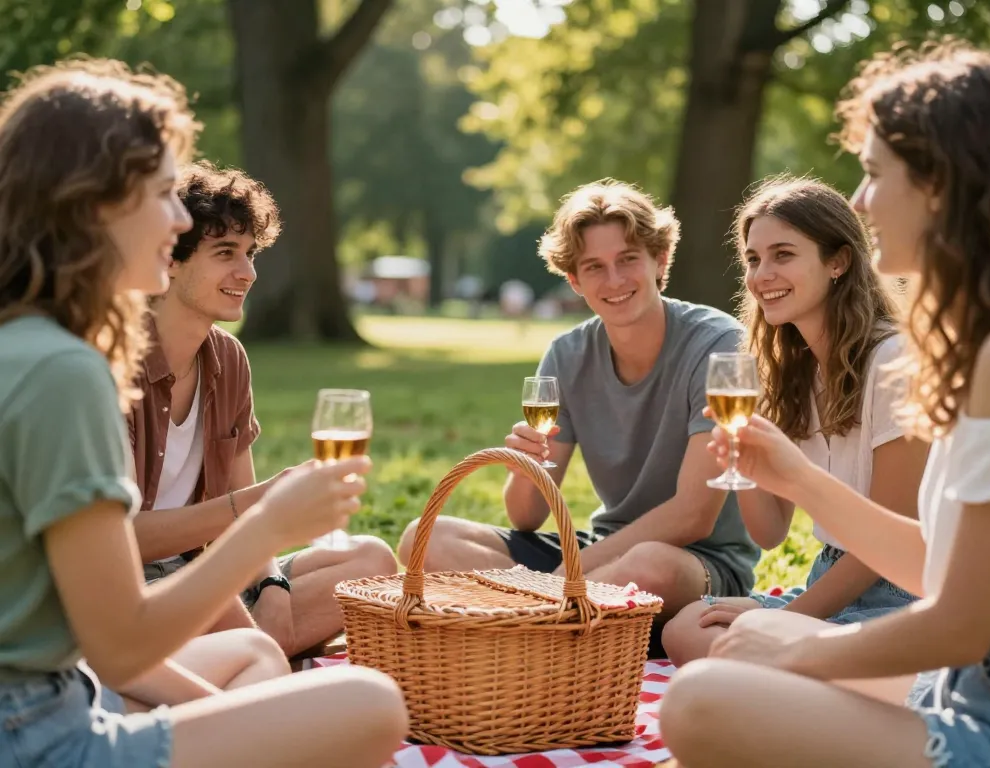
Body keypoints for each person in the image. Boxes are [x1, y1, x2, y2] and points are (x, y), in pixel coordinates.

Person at [0, 58, 405, 767]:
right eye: (163, 195)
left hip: (62, 693)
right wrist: (265, 524)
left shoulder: (29, 345)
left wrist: (264, 557)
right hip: (40, 734)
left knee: (260, 644)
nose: (179, 219)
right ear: (95, 203)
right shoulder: (67, 370)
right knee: (369, 704)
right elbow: (120, 638)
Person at [660, 42, 990, 767]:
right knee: (721, 661)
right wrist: (790, 476)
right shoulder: (986, 344)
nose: (859, 202)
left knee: (701, 699)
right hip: (965, 683)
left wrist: (794, 656)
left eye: (872, 174)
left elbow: (954, 624)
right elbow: (942, 567)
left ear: (940, 184)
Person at [398, 180, 760, 626]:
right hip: (598, 551)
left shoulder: (718, 345)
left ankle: (531, 612)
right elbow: (526, 516)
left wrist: (562, 575)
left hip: (697, 563)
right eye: (594, 267)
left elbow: (693, 517)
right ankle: (560, 619)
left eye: (628, 259)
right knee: (423, 537)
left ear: (660, 259)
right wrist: (524, 465)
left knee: (649, 565)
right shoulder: (566, 355)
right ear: (574, 279)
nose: (614, 280)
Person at [131, 160, 396, 657]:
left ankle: (253, 646)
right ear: (171, 258)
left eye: (251, 254)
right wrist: (269, 505)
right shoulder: (117, 363)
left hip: (207, 567)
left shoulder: (228, 360)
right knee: (257, 643)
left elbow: (237, 504)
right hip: (131, 587)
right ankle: (256, 650)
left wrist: (271, 584)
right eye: (225, 253)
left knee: (371, 561)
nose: (247, 273)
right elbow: (122, 540)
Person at [661, 176, 928, 666]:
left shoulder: (893, 361)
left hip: (903, 592)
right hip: (829, 579)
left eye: (783, 254)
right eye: (753, 258)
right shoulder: (790, 372)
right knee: (686, 629)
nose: (762, 274)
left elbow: (892, 538)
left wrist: (787, 622)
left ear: (838, 262)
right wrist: (743, 457)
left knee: (737, 653)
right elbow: (769, 533)